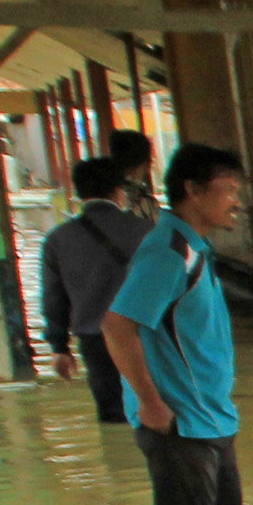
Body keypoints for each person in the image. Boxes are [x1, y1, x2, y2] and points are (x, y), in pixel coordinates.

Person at [101, 144, 248, 505]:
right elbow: (116, 326)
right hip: (180, 426)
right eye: (229, 189)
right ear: (193, 190)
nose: (237, 202)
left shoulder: (195, 248)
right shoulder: (170, 253)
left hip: (211, 417)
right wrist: (150, 403)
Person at [36, 154, 149, 423]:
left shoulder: (57, 239)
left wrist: (59, 348)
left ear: (77, 192)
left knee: (113, 418)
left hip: (95, 340)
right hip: (144, 336)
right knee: (151, 410)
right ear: (119, 192)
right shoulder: (146, 232)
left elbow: (54, 299)